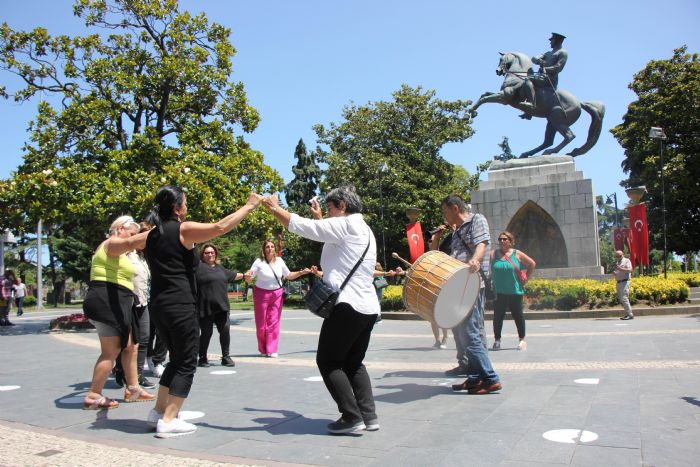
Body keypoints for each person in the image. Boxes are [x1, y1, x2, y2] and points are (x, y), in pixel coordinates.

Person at [145, 185, 262, 438]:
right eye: (185, 202)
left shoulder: (153, 234)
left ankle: (158, 411)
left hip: (159, 305)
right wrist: (249, 206)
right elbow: (220, 227)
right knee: (187, 362)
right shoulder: (182, 229)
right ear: (177, 207)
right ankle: (169, 420)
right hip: (180, 304)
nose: (187, 207)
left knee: (175, 360)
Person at [262, 185, 381, 435]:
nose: (327, 213)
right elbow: (328, 237)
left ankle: (351, 416)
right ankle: (369, 416)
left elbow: (306, 228)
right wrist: (319, 218)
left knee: (328, 361)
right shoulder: (364, 228)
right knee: (353, 363)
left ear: (343, 206)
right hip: (367, 307)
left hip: (347, 306)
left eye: (329, 208)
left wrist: (275, 209)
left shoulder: (347, 224)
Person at [82, 216, 154, 410]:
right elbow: (130, 242)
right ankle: (94, 395)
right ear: (121, 228)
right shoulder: (112, 243)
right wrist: (164, 231)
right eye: (131, 233)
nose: (133, 239)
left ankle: (133, 389)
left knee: (131, 346)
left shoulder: (123, 253)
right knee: (111, 351)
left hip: (120, 301)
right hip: (105, 300)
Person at [434, 195, 501, 395]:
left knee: (470, 332)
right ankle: (474, 378)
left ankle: (490, 378)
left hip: (473, 284)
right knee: (465, 334)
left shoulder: (476, 220)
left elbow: (482, 243)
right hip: (459, 286)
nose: (444, 216)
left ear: (455, 208)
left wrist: (475, 260)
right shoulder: (456, 232)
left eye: (445, 211)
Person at [246, 240, 313, 358]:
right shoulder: (258, 262)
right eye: (267, 247)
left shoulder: (280, 261)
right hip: (261, 294)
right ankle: (263, 349)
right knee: (261, 325)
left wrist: (301, 272)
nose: (270, 248)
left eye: (272, 246)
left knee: (274, 322)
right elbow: (250, 276)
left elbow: (289, 275)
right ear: (263, 249)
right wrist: (247, 277)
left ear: (275, 249)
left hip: (277, 294)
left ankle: (271, 349)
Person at [196, 243, 244, 367]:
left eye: (212, 252)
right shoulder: (198, 268)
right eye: (207, 252)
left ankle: (226, 357)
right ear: (202, 255)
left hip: (222, 307)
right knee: (206, 333)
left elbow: (234, 275)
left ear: (216, 254)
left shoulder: (220, 268)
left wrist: (245, 275)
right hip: (205, 307)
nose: (210, 254)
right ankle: (202, 357)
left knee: (225, 331)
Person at [490, 231, 536, 351]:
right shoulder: (493, 254)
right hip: (499, 292)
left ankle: (522, 340)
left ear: (511, 241)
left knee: (518, 316)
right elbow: (483, 264)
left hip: (515, 291)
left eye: (505, 239)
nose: (502, 241)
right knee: (498, 317)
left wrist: (526, 277)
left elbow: (532, 263)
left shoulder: (517, 254)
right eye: (500, 239)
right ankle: (497, 340)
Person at [520, 32, 568, 119]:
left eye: (552, 40)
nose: (550, 42)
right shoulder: (547, 53)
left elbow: (559, 67)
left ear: (557, 41)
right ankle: (529, 112)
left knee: (528, 80)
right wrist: (539, 60)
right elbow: (534, 58)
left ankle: (531, 104)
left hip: (550, 78)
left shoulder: (562, 53)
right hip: (541, 76)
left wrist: (546, 69)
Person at [614, 250, 634, 320]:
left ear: (623, 254)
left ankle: (630, 314)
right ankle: (626, 314)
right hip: (619, 282)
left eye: (619, 255)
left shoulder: (626, 260)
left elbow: (630, 270)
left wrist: (620, 269)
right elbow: (619, 271)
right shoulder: (617, 262)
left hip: (625, 282)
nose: (618, 257)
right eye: (617, 256)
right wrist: (615, 273)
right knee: (622, 299)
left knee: (625, 298)